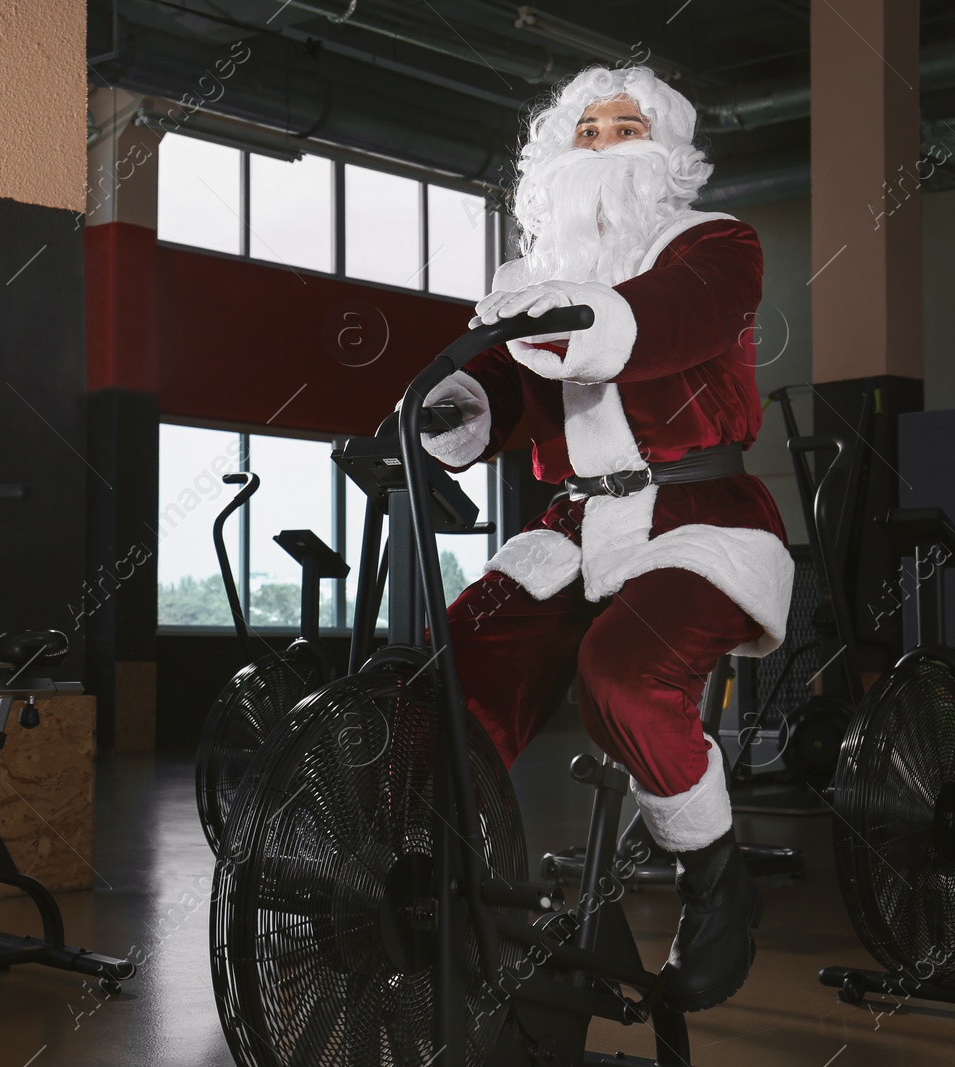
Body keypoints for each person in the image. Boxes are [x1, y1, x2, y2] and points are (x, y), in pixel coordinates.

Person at [418, 63, 793, 1012]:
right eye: (585, 133)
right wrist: (455, 405)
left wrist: (567, 319)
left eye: (624, 130)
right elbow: (515, 389)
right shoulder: (542, 282)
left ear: (663, 151)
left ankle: (716, 878)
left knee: (626, 676)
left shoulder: (715, 246)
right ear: (555, 155)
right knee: (451, 669)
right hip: (575, 521)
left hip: (697, 517)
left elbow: (671, 322)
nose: (602, 147)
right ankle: (445, 873)